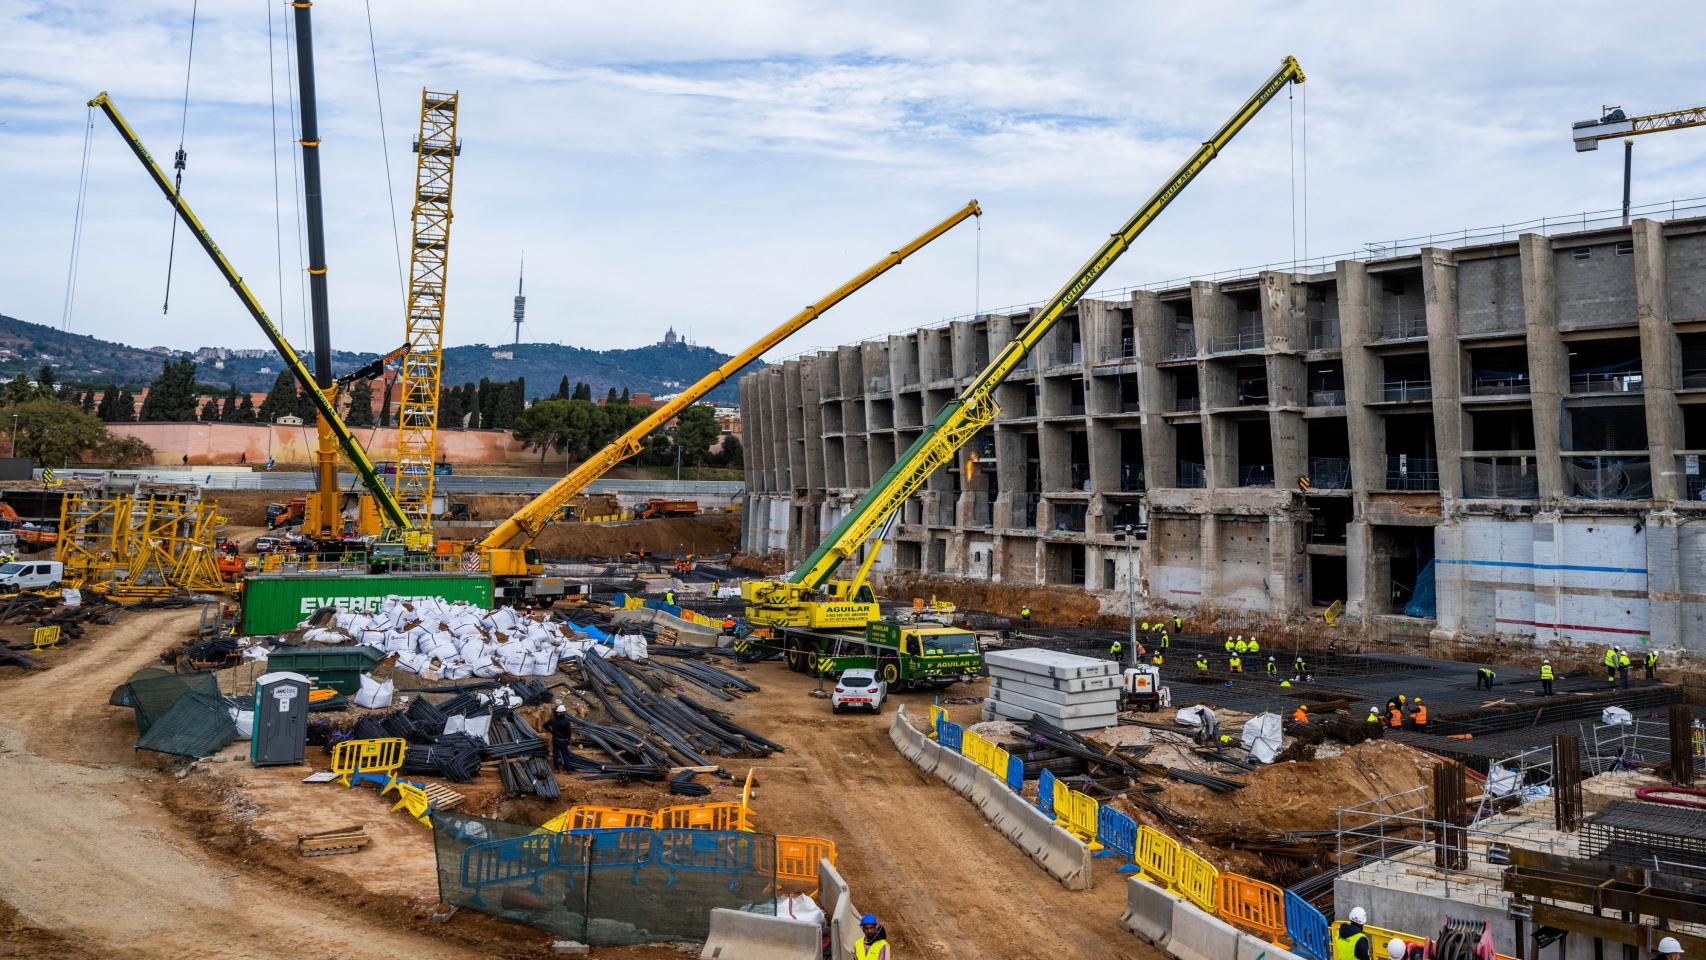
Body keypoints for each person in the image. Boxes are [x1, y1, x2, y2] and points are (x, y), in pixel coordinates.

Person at [545, 705, 575, 771]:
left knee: (555, 754)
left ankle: (556, 769)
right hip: (563, 740)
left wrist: (551, 731)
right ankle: (568, 769)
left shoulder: (552, 719)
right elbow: (569, 732)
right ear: (563, 712)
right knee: (565, 755)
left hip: (555, 739)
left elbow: (545, 725)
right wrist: (568, 739)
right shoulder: (566, 721)